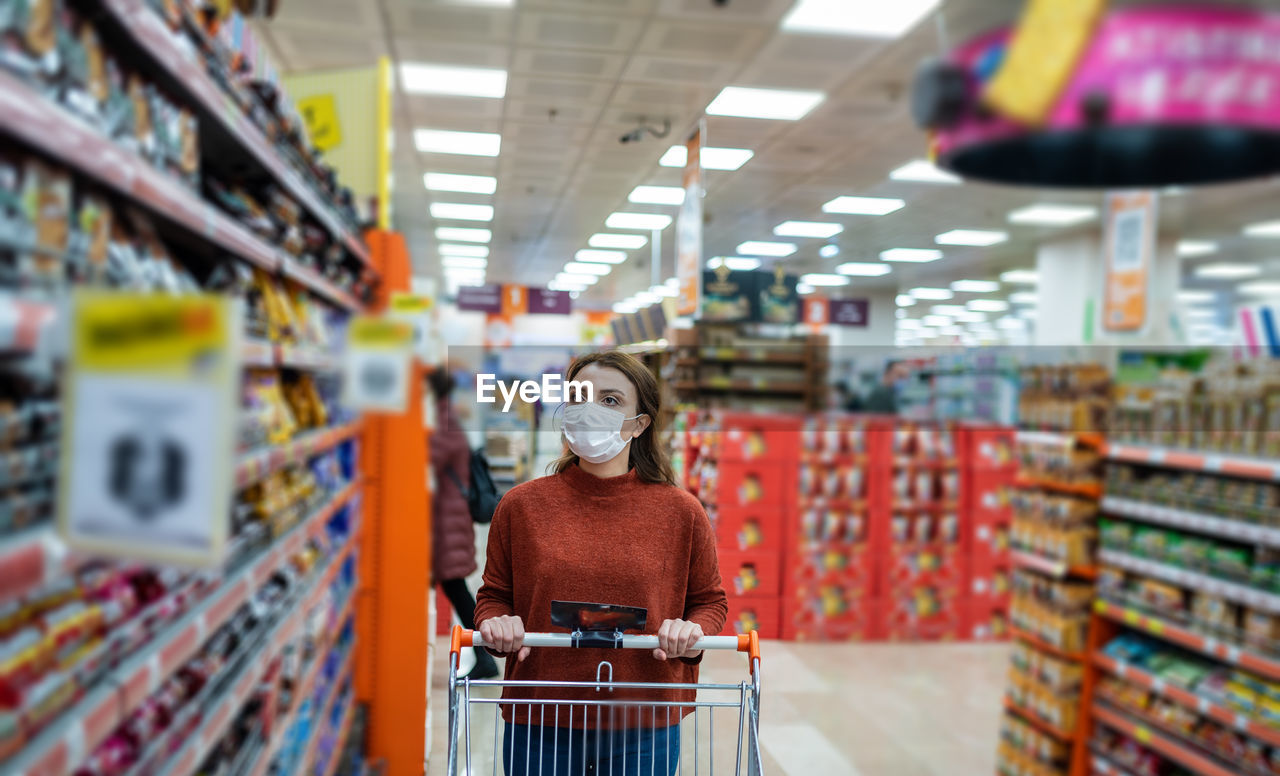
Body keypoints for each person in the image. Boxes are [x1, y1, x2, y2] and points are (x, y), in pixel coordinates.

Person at [474, 350, 728, 776]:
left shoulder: (681, 512)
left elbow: (709, 601)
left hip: (643, 716)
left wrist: (693, 628)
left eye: (610, 401)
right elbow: (494, 596)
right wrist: (497, 621)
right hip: (541, 714)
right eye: (579, 397)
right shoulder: (521, 506)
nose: (590, 410)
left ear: (640, 423)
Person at [428, 366, 499, 680]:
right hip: (447, 518)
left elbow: (426, 457)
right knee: (454, 587)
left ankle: (485, 654)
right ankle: (483, 655)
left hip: (445, 521)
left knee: (455, 588)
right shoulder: (444, 418)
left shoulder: (441, 422)